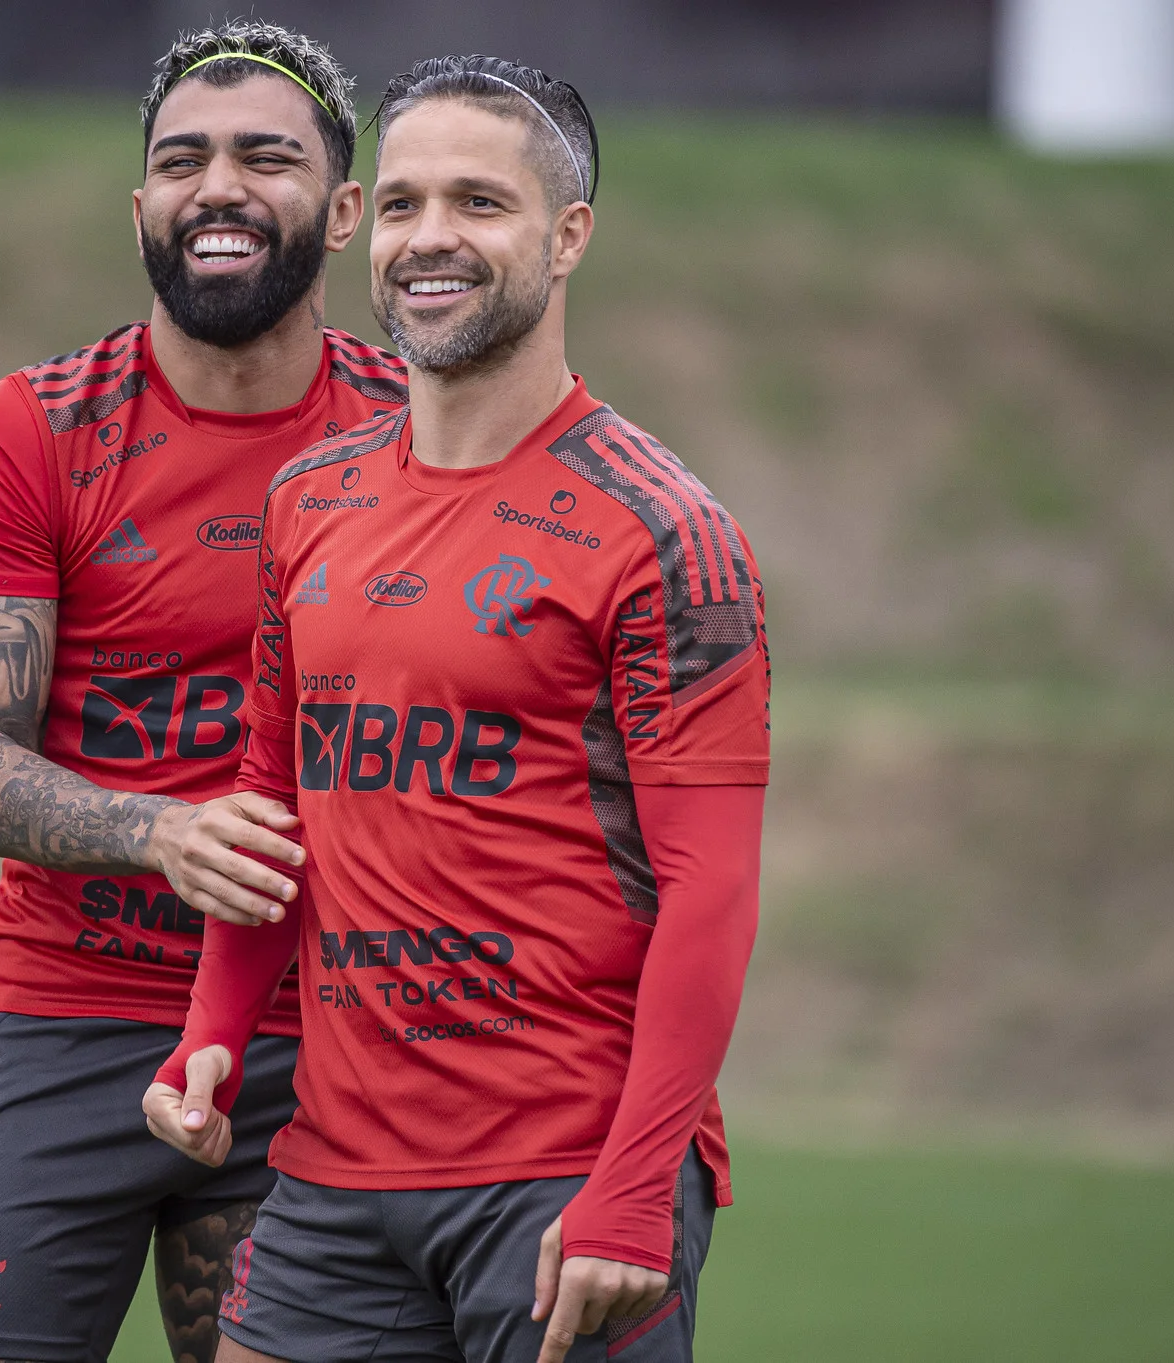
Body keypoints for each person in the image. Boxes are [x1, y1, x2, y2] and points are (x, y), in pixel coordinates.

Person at [144, 54, 770, 1363]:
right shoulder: (307, 502)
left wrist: (637, 1179)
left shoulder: (664, 530)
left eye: (481, 203)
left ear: (569, 235)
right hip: (331, 1177)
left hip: (561, 1181)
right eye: (412, 200)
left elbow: (709, 891)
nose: (435, 238)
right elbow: (272, 802)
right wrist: (209, 1032)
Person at [0, 21, 405, 1363]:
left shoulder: (422, 442)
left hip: (327, 1031)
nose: (219, 187)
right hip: (66, 1013)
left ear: (346, 211)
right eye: (182, 160)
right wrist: (163, 832)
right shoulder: (20, 434)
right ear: (140, 211)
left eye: (265, 157)